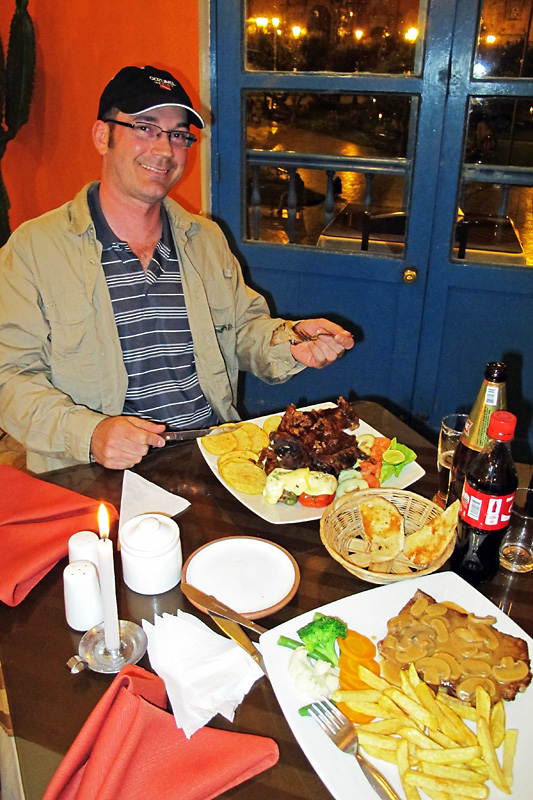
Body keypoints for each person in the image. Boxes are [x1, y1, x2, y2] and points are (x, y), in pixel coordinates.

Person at [0, 65, 353, 473]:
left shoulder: (204, 238)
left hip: (212, 455)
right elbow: (10, 377)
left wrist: (293, 342)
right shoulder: (33, 249)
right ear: (103, 136)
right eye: (145, 128)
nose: (165, 149)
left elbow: (242, 331)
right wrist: (90, 435)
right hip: (94, 471)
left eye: (178, 135)